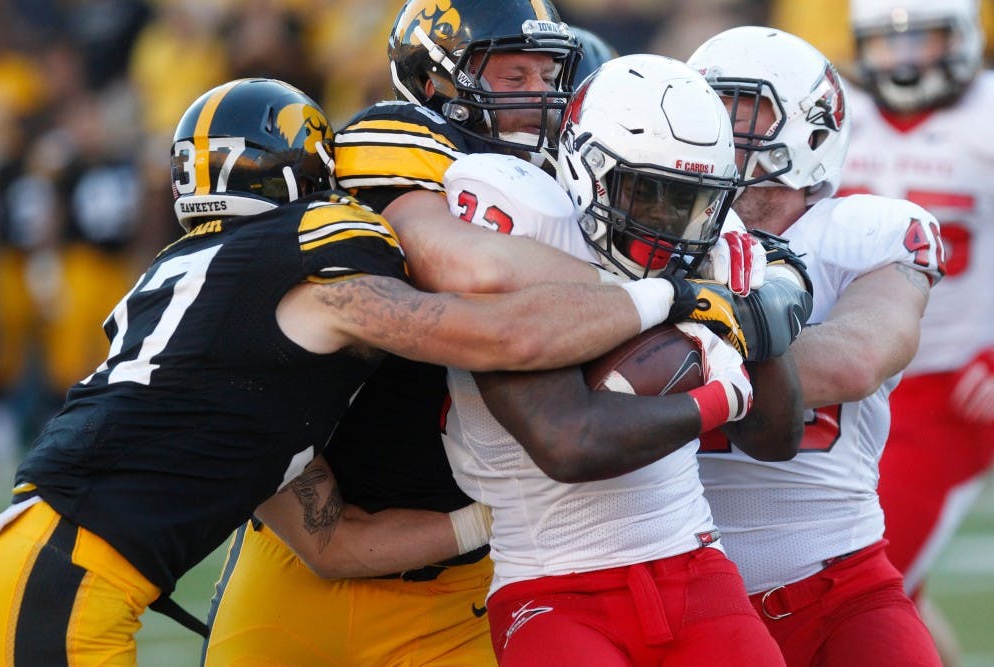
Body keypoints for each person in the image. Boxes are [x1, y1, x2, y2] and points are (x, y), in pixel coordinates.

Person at [0, 76, 711, 666]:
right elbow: (500, 335)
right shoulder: (315, 254)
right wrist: (672, 297)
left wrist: (498, 516)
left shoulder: (195, 291)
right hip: (70, 578)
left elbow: (329, 541)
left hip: (41, 557)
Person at [202, 3, 764, 665]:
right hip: (307, 544)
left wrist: (745, 273)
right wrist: (668, 297)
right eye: (513, 76)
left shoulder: (577, 177)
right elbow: (468, 268)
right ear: (435, 79)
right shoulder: (407, 137)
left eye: (549, 75)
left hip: (463, 572)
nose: (540, 97)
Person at [440, 54, 811, 666]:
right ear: (587, 169)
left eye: (690, 200)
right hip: (553, 585)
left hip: (695, 565)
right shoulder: (526, 228)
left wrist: (757, 318)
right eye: (648, 192)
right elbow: (569, 442)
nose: (669, 222)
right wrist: (719, 398)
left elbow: (776, 438)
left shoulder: (703, 240)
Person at [687, 26, 946, 666]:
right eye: (704, 108)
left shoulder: (863, 233)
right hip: (686, 596)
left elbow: (856, 358)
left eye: (740, 110)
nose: (713, 130)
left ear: (811, 130)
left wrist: (670, 350)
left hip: (840, 582)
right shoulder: (648, 232)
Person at [840, 1, 994, 662]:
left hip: (946, 386)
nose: (902, 61)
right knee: (888, 584)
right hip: (841, 378)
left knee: (864, 583)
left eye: (920, 41)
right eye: (886, 44)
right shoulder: (834, 110)